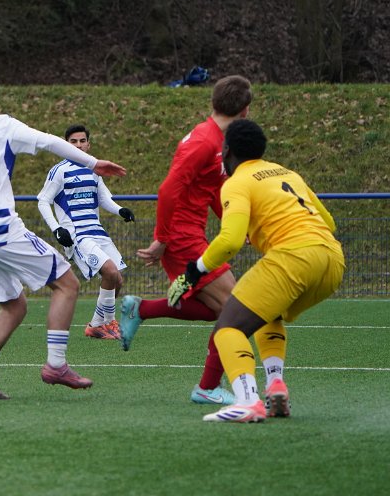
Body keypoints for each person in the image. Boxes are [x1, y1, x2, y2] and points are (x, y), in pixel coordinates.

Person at [0, 58, 126, 399]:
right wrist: (92, 162)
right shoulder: (1, 125)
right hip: (2, 228)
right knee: (67, 284)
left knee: (14, 305)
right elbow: (49, 142)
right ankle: (56, 364)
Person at [167, 119, 344, 422]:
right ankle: (275, 385)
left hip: (294, 257)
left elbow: (230, 241)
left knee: (228, 328)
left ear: (227, 151)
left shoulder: (237, 182)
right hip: (332, 260)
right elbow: (328, 222)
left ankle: (248, 401)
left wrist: (195, 270)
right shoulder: (287, 173)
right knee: (268, 314)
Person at [120, 75, 252, 405]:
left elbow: (213, 191)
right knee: (234, 308)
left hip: (191, 233)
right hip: (180, 236)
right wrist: (162, 239)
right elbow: (167, 190)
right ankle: (207, 387)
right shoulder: (204, 141)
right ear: (246, 110)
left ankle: (141, 309)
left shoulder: (218, 140)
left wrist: (237, 224)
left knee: (213, 311)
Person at [37, 124, 135, 340]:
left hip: (98, 232)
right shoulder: (59, 171)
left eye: (82, 141)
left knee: (117, 280)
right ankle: (108, 323)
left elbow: (104, 198)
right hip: (78, 235)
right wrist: (57, 229)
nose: (78, 145)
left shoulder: (95, 169)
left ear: (88, 144)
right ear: (66, 144)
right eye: (73, 141)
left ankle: (96, 325)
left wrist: (120, 210)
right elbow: (43, 200)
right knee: (110, 272)